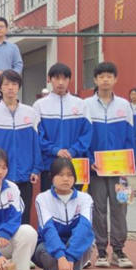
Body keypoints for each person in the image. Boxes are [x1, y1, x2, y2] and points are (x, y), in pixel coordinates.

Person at [83, 62, 136, 269]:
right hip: (96, 170)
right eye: (101, 76)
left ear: (115, 79)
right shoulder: (86, 105)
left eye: (109, 76)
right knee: (98, 209)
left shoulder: (124, 105)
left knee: (120, 208)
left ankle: (119, 250)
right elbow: (84, 136)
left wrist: (129, 163)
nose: (105, 80)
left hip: (120, 171)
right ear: (95, 80)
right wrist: (90, 160)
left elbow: (130, 137)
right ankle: (102, 251)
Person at [0, 69, 41, 225]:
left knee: (23, 216)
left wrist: (35, 168)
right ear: (0, 88)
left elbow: (36, 143)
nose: (10, 88)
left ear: (19, 87)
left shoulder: (31, 113)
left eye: (14, 84)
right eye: (6, 84)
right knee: (1, 216)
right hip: (1, 176)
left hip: (25, 175)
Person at [33, 157, 94, 270]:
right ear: (52, 177)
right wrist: (61, 257)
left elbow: (84, 228)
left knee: (86, 242)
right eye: (60, 175)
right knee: (44, 251)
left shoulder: (85, 198)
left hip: (73, 247)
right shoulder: (42, 198)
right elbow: (48, 230)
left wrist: (70, 257)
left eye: (69, 175)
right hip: (50, 248)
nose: (65, 179)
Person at [34, 63, 92, 192]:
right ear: (49, 79)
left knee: (75, 201)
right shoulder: (39, 105)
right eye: (56, 78)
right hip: (49, 165)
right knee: (49, 201)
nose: (60, 82)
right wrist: (55, 150)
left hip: (75, 164)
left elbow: (87, 134)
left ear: (69, 80)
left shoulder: (81, 105)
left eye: (64, 78)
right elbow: (37, 135)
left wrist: (73, 151)